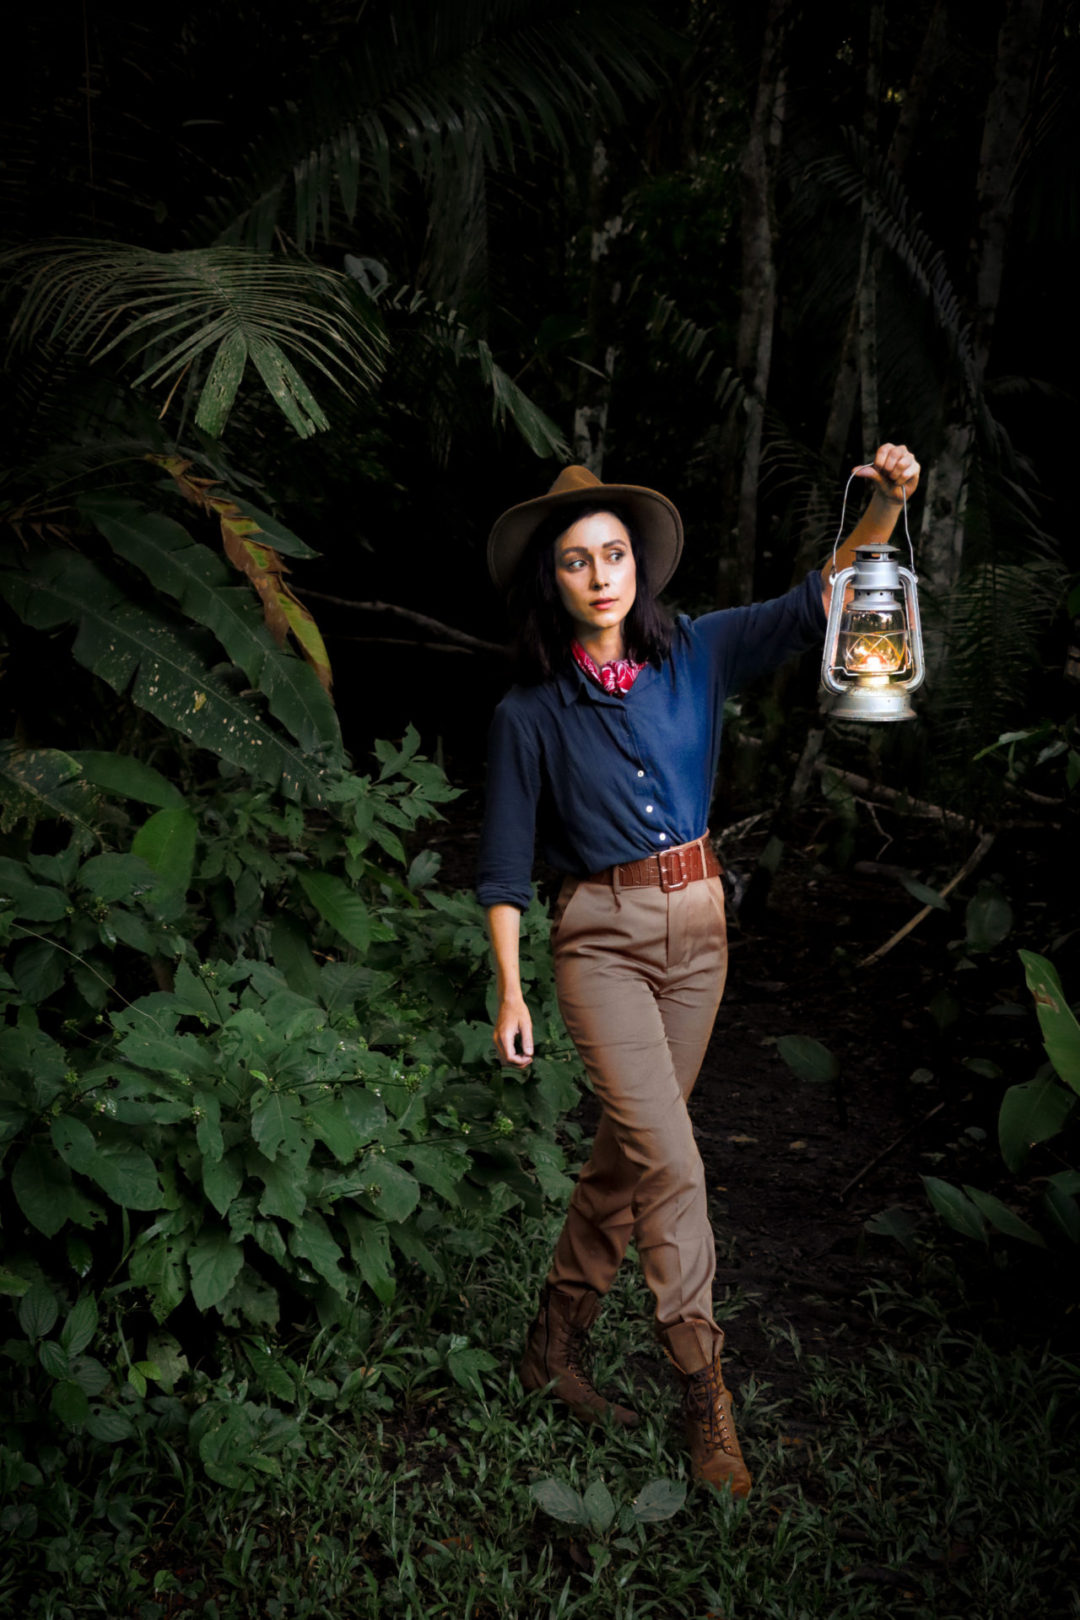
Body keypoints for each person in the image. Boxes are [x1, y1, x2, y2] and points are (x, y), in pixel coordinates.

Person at [475, 446, 921, 1498]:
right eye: (578, 560)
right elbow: (502, 867)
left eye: (615, 553)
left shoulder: (699, 653)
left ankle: (549, 1349)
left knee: (628, 1163)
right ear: (555, 581)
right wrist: (510, 986)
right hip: (601, 941)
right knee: (673, 1164)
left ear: (640, 565)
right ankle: (702, 1392)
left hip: (700, 932)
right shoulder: (526, 715)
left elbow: (823, 596)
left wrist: (889, 504)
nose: (601, 574)